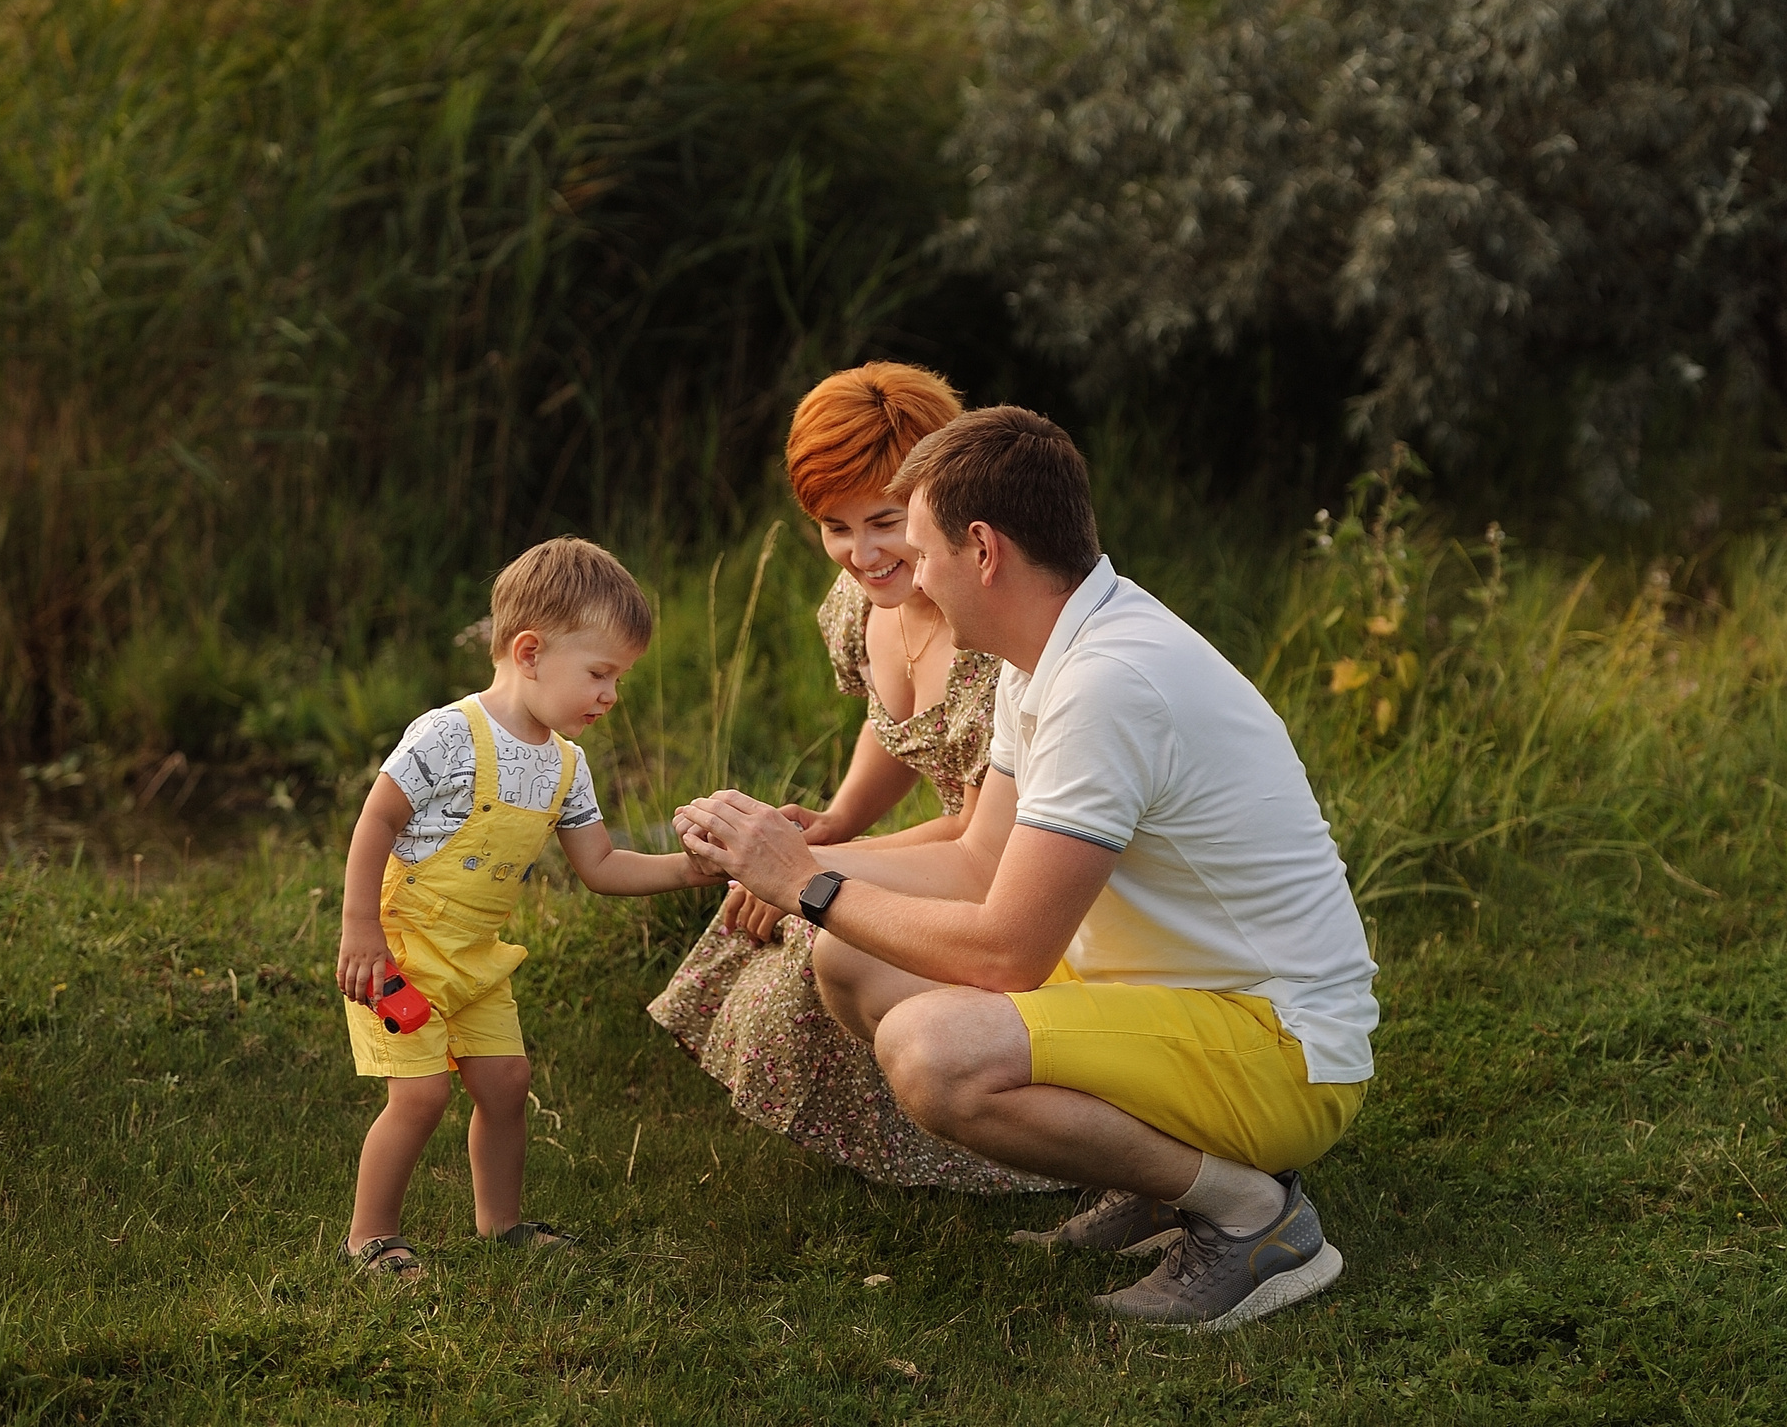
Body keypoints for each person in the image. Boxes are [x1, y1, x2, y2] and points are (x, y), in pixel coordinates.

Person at [676, 408, 1379, 1331]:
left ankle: (1255, 1217)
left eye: (922, 549)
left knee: (934, 1056)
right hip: (1176, 1002)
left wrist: (807, 885)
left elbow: (1006, 952)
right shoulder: (1043, 649)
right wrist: (791, 862)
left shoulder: (1108, 683)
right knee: (848, 963)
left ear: (983, 549)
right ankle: (1165, 1182)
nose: (911, 575)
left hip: (1283, 1050)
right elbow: (978, 860)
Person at [648, 363, 1059, 1194]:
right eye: (833, 526)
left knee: (821, 916)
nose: (862, 554)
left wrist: (813, 871)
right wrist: (835, 821)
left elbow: (981, 841)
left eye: (884, 520)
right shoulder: (863, 601)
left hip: (1030, 870)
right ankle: (899, 1133)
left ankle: (1010, 1143)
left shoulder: (992, 635)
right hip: (965, 845)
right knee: (797, 897)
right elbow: (893, 724)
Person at [334, 537, 716, 1280]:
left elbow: (601, 867)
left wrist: (698, 870)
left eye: (620, 679)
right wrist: (360, 928)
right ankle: (369, 1237)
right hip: (399, 957)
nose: (611, 695)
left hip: (475, 962)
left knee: (508, 1086)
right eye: (601, 674)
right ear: (531, 652)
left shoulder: (566, 765)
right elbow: (375, 820)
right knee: (419, 1096)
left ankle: (500, 1225)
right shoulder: (446, 736)